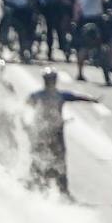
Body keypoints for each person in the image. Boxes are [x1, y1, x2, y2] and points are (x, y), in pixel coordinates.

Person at [25, 67, 97, 196]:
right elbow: (25, 110)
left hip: (55, 131)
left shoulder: (46, 95)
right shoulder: (40, 96)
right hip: (43, 131)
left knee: (59, 159)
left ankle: (62, 189)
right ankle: (36, 182)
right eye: (49, 79)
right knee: (40, 156)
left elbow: (76, 97)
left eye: (51, 79)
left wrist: (91, 99)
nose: (50, 82)